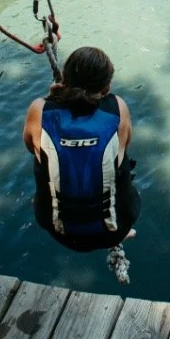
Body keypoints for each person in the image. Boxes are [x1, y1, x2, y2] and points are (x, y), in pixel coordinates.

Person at [23, 46, 140, 252]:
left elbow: (30, 147)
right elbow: (125, 144)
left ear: (64, 80)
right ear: (107, 88)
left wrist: (51, 99)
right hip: (115, 230)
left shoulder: (38, 109)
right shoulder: (118, 107)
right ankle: (120, 230)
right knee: (120, 157)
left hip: (61, 233)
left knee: (42, 152)